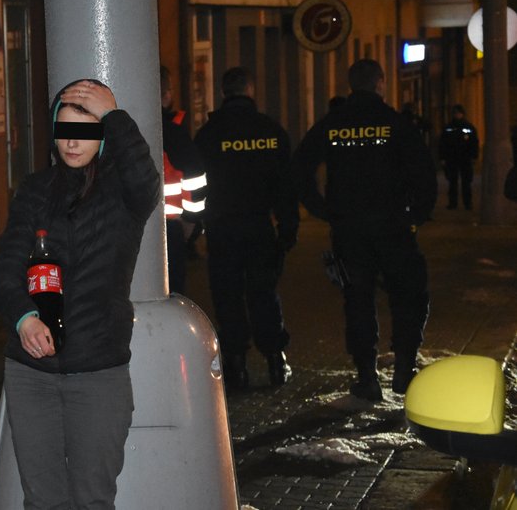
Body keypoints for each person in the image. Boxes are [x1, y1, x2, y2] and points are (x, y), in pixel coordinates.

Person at [0, 79, 159, 509]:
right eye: (64, 129)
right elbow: (6, 271)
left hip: (97, 372)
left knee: (91, 500)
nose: (72, 142)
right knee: (42, 501)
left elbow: (146, 180)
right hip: (31, 375)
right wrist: (23, 318)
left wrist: (114, 115)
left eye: (86, 131)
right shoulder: (34, 190)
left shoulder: (125, 194)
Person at [292, 59, 436, 401]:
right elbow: (423, 172)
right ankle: (403, 370)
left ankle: (367, 376)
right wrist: (417, 214)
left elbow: (300, 169)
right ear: (381, 83)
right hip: (394, 229)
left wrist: (323, 210)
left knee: (357, 300)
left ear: (351, 85)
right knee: (408, 295)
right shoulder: (395, 123)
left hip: (349, 230)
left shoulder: (333, 123)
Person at [193, 67, 298, 390]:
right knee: (263, 293)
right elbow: (285, 187)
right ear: (250, 89)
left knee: (227, 297)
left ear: (224, 92)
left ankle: (236, 365)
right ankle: (275, 360)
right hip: (259, 227)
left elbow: (197, 187)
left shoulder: (209, 134)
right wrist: (288, 228)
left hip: (222, 229)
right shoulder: (271, 130)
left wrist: (196, 226)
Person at [160, 67, 207, 296]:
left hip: (126, 229)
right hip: (170, 227)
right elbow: (196, 177)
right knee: (172, 294)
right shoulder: (172, 130)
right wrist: (191, 219)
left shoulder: (117, 129)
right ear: (166, 94)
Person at [438, 104, 479, 210]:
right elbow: (443, 143)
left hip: (465, 158)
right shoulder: (449, 128)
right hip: (452, 158)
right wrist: (442, 157)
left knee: (466, 182)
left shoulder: (468, 127)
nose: (457, 115)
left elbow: (474, 142)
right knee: (453, 182)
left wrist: (474, 156)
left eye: (458, 113)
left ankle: (467, 203)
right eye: (455, 113)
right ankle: (453, 203)